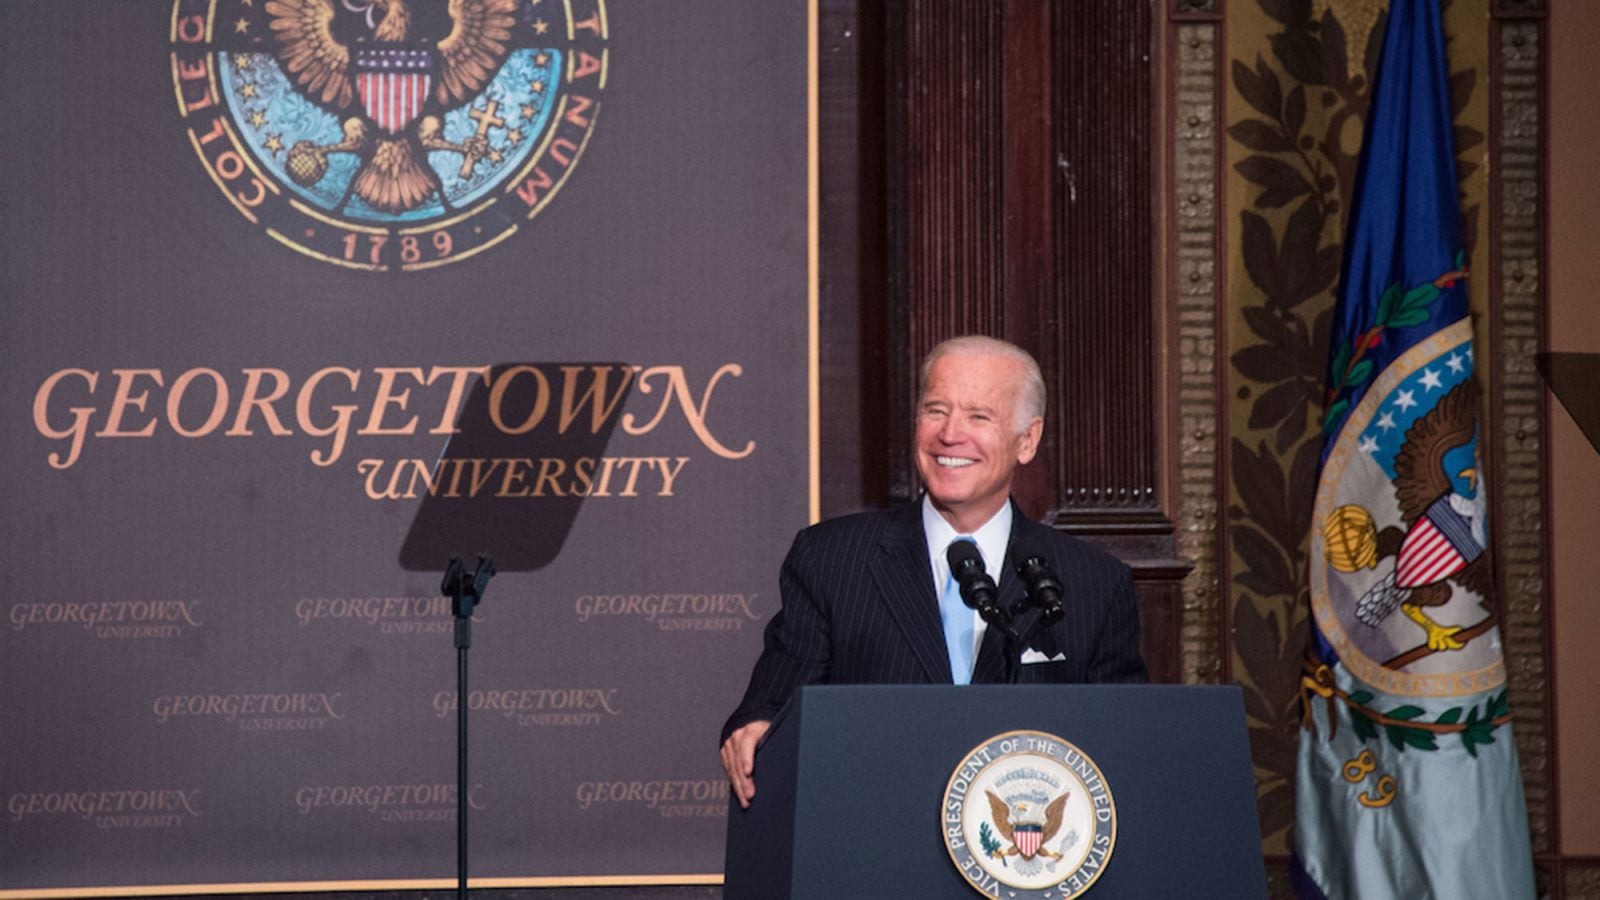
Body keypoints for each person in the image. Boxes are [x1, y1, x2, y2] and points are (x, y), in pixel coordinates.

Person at [719, 335, 1147, 808]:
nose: (949, 434)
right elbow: (775, 703)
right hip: (876, 836)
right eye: (935, 410)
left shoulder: (1092, 583)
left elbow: (1122, 746)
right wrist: (758, 728)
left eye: (978, 416)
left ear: (1027, 441)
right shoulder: (831, 558)